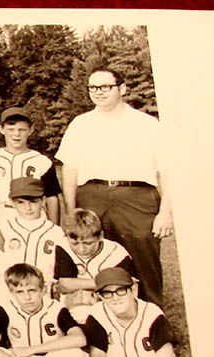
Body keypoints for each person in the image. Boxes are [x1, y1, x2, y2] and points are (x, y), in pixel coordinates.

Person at [56, 68, 173, 306]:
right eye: (92, 87)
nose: (98, 92)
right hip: (92, 194)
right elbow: (70, 169)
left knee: (143, 259)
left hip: (136, 196)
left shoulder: (147, 124)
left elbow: (167, 171)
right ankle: (103, 322)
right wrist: (72, 210)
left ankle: (151, 321)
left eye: (104, 87)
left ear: (122, 89)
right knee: (95, 256)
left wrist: (166, 212)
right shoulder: (81, 124)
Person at [68, 267, 196, 357]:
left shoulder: (152, 313)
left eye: (121, 290)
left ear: (133, 290)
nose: (115, 297)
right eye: (107, 293)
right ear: (100, 297)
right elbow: (97, 355)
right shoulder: (97, 314)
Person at [0, 107, 61, 225]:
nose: (16, 134)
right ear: (1, 129)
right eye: (11, 129)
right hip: (3, 212)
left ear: (31, 130)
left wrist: (54, 227)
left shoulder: (42, 161)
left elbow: (52, 198)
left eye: (22, 130)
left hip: (34, 214)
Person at [0, 177, 68, 290]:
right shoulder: (3, 228)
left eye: (33, 202)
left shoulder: (56, 232)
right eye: (20, 202)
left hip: (42, 290)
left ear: (43, 200)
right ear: (12, 202)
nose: (28, 208)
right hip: (7, 290)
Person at [53, 208, 137, 309]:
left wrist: (79, 284)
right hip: (75, 305)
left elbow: (127, 287)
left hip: (110, 304)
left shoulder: (117, 253)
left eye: (88, 243)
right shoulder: (64, 246)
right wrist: (106, 282)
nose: (81, 249)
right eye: (75, 244)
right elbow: (65, 284)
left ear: (101, 236)